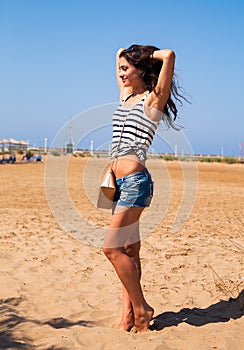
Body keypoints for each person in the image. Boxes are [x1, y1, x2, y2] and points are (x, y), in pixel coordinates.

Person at [103, 44, 186, 333]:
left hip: (136, 184)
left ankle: (142, 309)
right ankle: (127, 317)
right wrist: (127, 56)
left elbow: (170, 55)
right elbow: (118, 53)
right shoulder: (125, 96)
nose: (121, 73)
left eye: (127, 69)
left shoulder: (153, 101)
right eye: (121, 70)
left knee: (111, 248)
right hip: (119, 184)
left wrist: (148, 57)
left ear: (141, 70)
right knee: (129, 251)